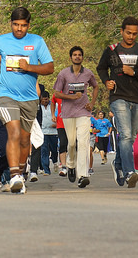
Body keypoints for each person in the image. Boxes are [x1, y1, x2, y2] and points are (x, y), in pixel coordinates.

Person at [0, 7, 54, 194]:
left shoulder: (37, 41)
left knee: (25, 140)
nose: (19, 29)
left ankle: (20, 176)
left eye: (23, 25)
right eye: (15, 25)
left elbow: (49, 67)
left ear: (28, 25)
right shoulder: (0, 41)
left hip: (30, 98)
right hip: (7, 95)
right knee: (13, 133)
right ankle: (14, 175)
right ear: (11, 24)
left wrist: (29, 67)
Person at [97, 17, 138, 188]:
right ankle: (130, 171)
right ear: (122, 31)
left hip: (137, 99)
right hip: (118, 98)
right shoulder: (111, 50)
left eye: (135, 34)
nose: (131, 36)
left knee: (130, 137)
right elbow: (101, 68)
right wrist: (106, 81)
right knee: (124, 135)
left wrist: (135, 73)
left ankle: (117, 165)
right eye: (128, 33)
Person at [54, 46, 98, 188]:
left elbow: (96, 86)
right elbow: (56, 93)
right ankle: (71, 165)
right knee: (71, 143)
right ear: (70, 58)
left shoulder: (88, 73)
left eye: (80, 55)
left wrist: (91, 103)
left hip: (83, 113)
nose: (77, 57)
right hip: (68, 113)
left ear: (82, 57)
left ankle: (83, 175)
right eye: (75, 55)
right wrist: (71, 97)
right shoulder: (64, 74)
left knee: (83, 143)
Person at [39, 90, 58, 175]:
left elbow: (61, 115)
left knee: (54, 150)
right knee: (44, 150)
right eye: (43, 99)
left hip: (54, 132)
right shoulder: (38, 107)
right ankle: (46, 169)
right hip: (43, 131)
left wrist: (57, 124)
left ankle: (55, 161)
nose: (45, 101)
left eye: (46, 99)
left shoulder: (55, 106)